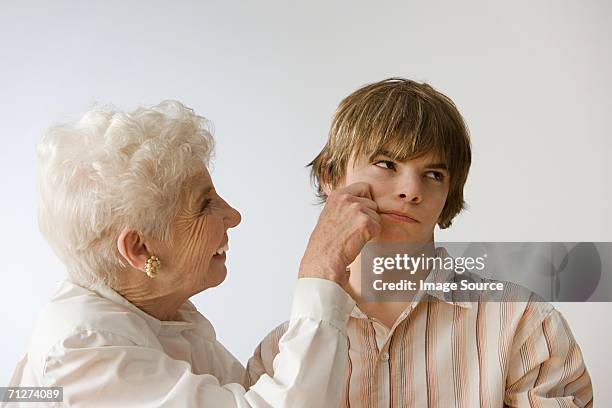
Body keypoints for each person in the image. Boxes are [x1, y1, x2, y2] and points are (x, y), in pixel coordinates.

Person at [7, 100, 383, 407]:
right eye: (204, 205)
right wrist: (319, 270)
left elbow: (249, 391)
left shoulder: (162, 313)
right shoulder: (81, 350)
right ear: (139, 249)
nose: (233, 216)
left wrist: (334, 288)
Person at [246, 78, 594, 407]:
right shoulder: (281, 353)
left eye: (433, 175)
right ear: (330, 176)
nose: (411, 191)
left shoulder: (523, 322)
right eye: (386, 164)